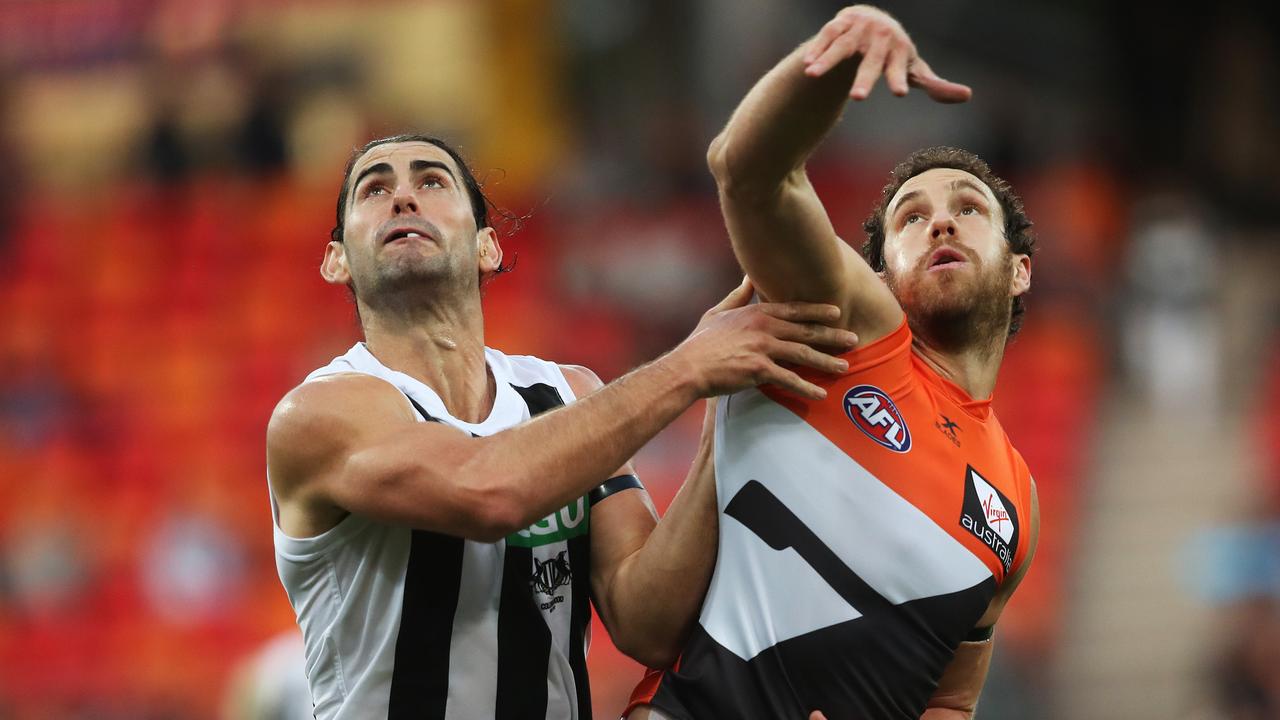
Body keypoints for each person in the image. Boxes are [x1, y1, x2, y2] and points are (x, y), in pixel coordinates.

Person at [264, 133, 858, 719]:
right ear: (336, 258)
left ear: (487, 247)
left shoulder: (567, 395)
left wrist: (726, 412)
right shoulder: (318, 414)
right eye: (374, 189)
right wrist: (690, 366)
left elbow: (645, 621)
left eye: (431, 181)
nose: (403, 198)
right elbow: (487, 491)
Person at [626, 6, 1041, 719]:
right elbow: (747, 171)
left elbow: (950, 699)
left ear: (1019, 272)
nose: (939, 220)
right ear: (876, 277)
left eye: (969, 207)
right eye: (910, 217)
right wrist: (833, 55)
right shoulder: (846, 337)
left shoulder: (1016, 503)